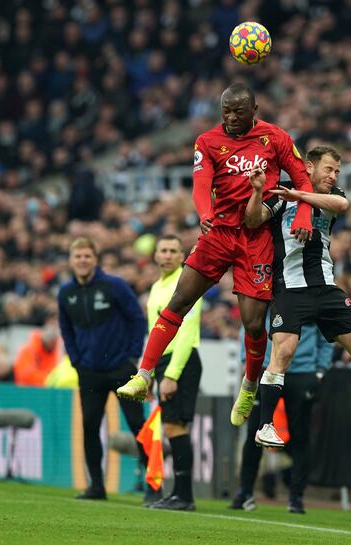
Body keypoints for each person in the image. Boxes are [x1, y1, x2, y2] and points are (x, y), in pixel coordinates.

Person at [118, 82, 314, 432]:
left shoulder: (277, 138)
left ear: (254, 110)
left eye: (239, 111)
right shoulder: (207, 142)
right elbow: (200, 182)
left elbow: (302, 178)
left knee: (254, 324)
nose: (232, 117)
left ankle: (250, 385)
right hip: (218, 232)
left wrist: (302, 215)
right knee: (179, 301)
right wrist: (204, 212)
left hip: (257, 238)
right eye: (226, 111)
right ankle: (143, 374)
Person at [242, 144, 351, 453]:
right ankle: (265, 425)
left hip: (326, 287)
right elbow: (252, 220)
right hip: (291, 287)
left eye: (337, 171)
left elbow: (342, 205)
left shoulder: (324, 196)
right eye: (328, 169)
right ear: (309, 168)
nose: (333, 175)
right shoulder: (281, 193)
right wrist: (258, 191)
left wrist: (299, 196)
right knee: (283, 353)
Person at [58, 237, 148, 501]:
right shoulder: (66, 293)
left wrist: (131, 356)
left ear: (95, 259)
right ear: (71, 260)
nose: (82, 261)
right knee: (89, 426)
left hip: (120, 368)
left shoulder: (114, 286)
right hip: (89, 371)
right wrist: (76, 360)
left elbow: (136, 319)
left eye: (87, 256)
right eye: (78, 256)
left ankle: (153, 485)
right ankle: (96, 486)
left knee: (137, 425)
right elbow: (65, 329)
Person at [229, 321, 332, 514]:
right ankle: (245, 491)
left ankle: (296, 497)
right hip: (267, 368)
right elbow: (249, 324)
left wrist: (320, 370)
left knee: (300, 435)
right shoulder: (268, 293)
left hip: (302, 373)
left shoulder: (311, 297)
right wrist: (247, 360)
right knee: (254, 433)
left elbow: (326, 336)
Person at [144, 235, 203, 512]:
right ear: (155, 255)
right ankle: (179, 494)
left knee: (176, 426)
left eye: (172, 251)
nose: (167, 255)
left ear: (182, 256)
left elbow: (187, 332)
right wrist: (149, 371)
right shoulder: (157, 287)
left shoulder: (188, 281)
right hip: (164, 362)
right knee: (170, 427)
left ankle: (185, 496)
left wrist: (172, 374)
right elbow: (154, 332)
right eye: (163, 250)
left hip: (182, 359)